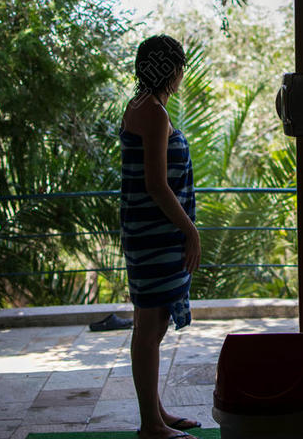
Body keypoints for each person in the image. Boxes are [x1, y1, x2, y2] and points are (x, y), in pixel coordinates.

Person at [120, 35, 201, 439]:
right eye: (178, 66)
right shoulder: (151, 113)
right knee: (150, 326)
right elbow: (155, 183)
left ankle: (156, 412)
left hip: (150, 233)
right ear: (169, 69)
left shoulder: (142, 107)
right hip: (155, 235)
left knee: (150, 323)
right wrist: (191, 231)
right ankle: (151, 424)